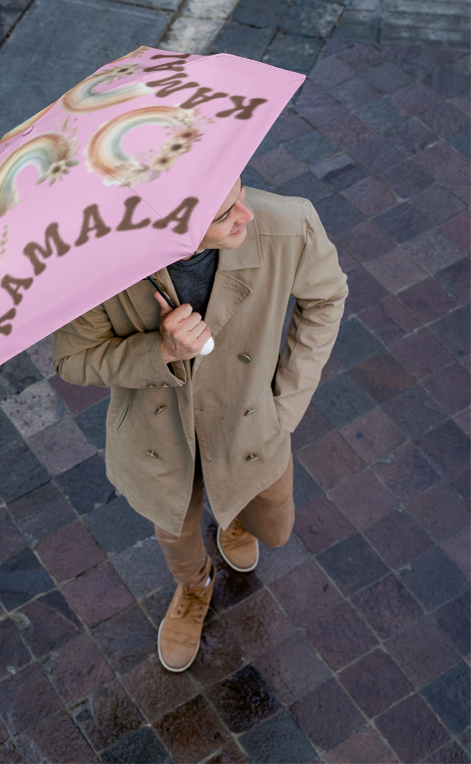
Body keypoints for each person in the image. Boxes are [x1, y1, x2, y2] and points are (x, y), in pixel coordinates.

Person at [53, 175, 348, 672]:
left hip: (251, 424)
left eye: (241, 192)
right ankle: (195, 586)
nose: (245, 214)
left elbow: (326, 299)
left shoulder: (288, 222)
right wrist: (161, 351)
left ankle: (233, 515)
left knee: (272, 526)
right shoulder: (100, 261)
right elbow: (73, 360)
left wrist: (285, 405)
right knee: (178, 533)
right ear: (169, 226)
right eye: (222, 213)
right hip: (158, 436)